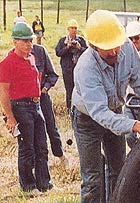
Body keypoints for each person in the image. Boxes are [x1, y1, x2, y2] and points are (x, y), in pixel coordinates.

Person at [71, 10, 140, 203]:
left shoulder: (127, 48)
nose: (114, 52)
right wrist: (133, 125)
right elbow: (99, 112)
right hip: (87, 119)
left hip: (116, 112)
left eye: (116, 46)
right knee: (92, 179)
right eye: (107, 49)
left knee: (119, 170)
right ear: (93, 46)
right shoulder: (86, 67)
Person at [0, 22, 52, 194]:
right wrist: (10, 117)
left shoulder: (32, 57)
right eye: (24, 41)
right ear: (15, 42)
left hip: (36, 106)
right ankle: (28, 187)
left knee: (41, 146)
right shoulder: (7, 63)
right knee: (27, 148)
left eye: (30, 40)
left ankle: (45, 183)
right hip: (20, 107)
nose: (29, 44)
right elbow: (4, 93)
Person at [32, 43, 68, 167]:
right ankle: (37, 165)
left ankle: (60, 155)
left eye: (29, 39)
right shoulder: (14, 56)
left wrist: (45, 88)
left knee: (51, 128)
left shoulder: (40, 51)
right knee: (32, 133)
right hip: (26, 101)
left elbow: (53, 74)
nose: (27, 43)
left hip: (42, 98)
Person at [55, 19, 87, 114]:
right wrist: (67, 47)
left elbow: (88, 52)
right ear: (68, 29)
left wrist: (79, 48)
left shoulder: (81, 40)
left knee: (79, 89)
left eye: (75, 28)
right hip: (67, 69)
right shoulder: (62, 41)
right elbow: (58, 53)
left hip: (78, 69)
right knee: (69, 90)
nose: (73, 30)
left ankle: (79, 109)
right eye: (72, 28)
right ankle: (70, 110)